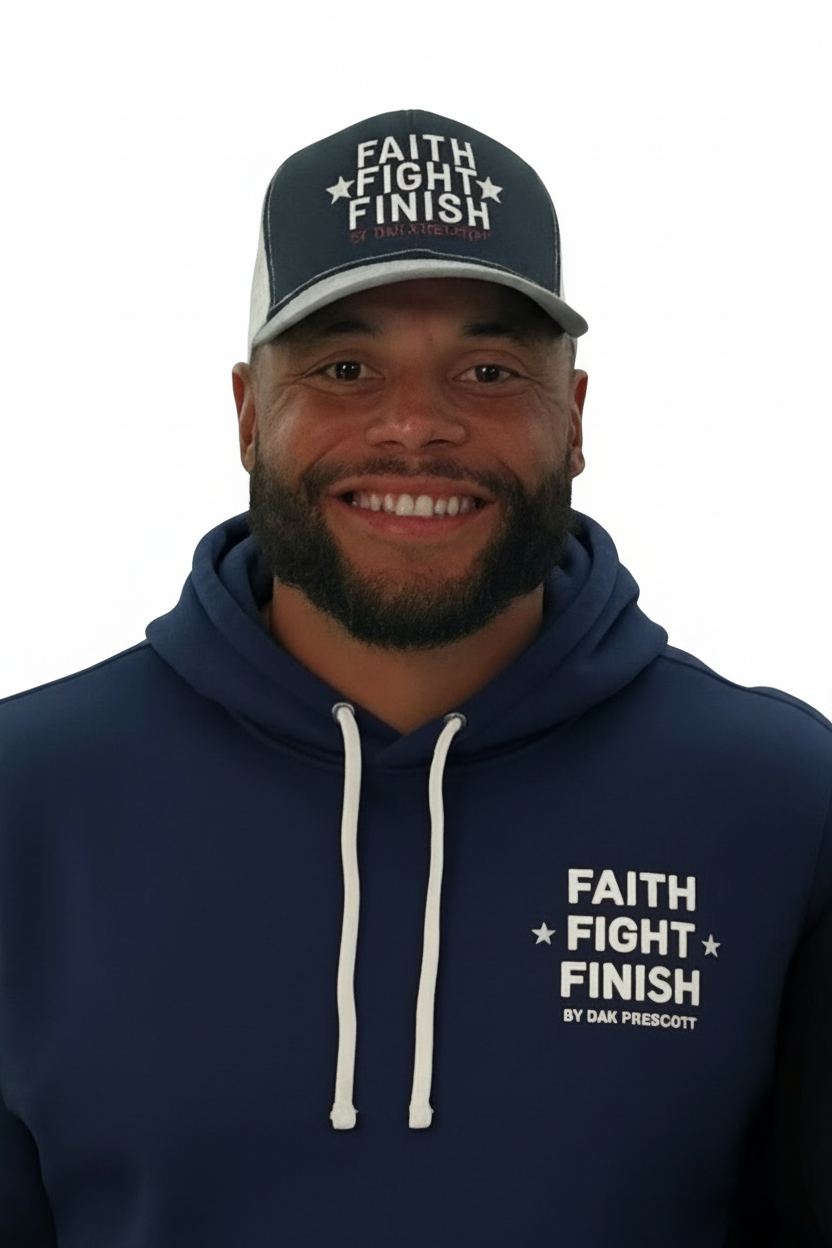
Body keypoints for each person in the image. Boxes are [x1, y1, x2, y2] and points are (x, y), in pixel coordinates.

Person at [0, 109, 829, 1248]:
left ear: (574, 420)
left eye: (488, 370)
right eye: (345, 367)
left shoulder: (785, 803)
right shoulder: (29, 798)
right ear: (248, 414)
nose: (417, 427)